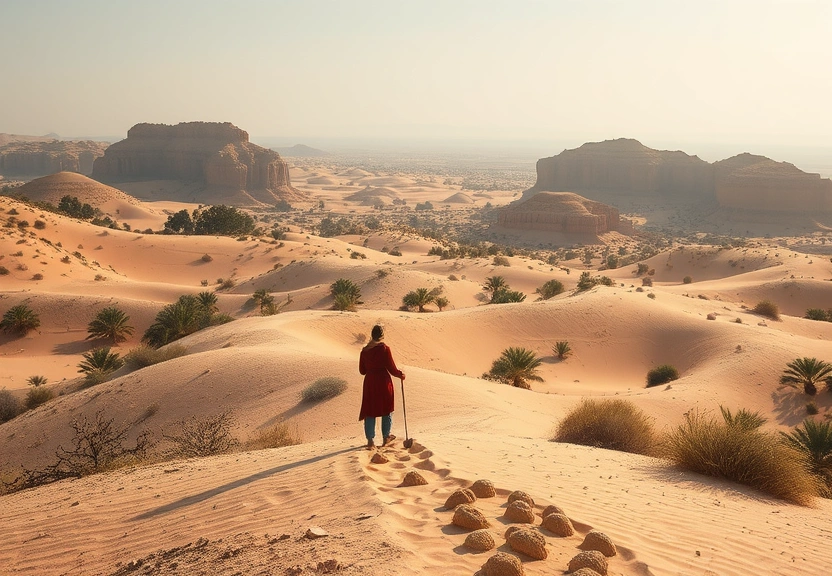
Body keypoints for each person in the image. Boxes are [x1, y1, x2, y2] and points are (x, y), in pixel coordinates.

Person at [358, 324, 405, 450]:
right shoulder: (384, 349)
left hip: (369, 383)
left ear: (372, 335)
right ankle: (386, 438)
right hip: (383, 382)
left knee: (370, 410)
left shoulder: (365, 351)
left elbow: (362, 371)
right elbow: (392, 368)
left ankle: (370, 441)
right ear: (382, 336)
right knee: (386, 409)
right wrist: (401, 375)